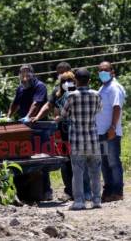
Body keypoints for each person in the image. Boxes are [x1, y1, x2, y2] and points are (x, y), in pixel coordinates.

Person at [33, 70, 92, 200]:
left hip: (77, 132)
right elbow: (49, 106)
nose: (67, 83)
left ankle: (85, 191)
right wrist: (37, 117)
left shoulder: (78, 93)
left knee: (80, 162)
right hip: (62, 133)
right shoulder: (57, 93)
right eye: (64, 81)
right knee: (65, 163)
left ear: (75, 81)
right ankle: (69, 191)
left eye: (70, 80)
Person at [7, 64, 52, 200]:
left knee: (42, 158)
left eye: (27, 74)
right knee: (26, 158)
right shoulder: (20, 88)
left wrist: (27, 117)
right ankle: (28, 191)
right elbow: (15, 104)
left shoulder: (40, 86)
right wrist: (8, 116)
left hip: (39, 127)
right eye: (22, 74)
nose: (25, 77)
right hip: (24, 128)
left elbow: (36, 104)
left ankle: (46, 190)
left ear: (33, 74)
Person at [61, 68, 102, 210]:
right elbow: (98, 110)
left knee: (78, 171)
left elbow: (64, 114)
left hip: (77, 140)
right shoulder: (97, 94)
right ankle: (96, 200)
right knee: (95, 171)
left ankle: (79, 201)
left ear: (76, 81)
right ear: (89, 81)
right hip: (93, 139)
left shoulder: (71, 96)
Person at [96, 61, 126, 202]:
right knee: (104, 163)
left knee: (113, 162)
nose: (103, 72)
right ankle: (108, 191)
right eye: (100, 70)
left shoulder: (114, 87)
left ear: (112, 72)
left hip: (110, 132)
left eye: (105, 70)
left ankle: (117, 191)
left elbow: (116, 107)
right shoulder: (103, 87)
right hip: (101, 132)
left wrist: (113, 127)